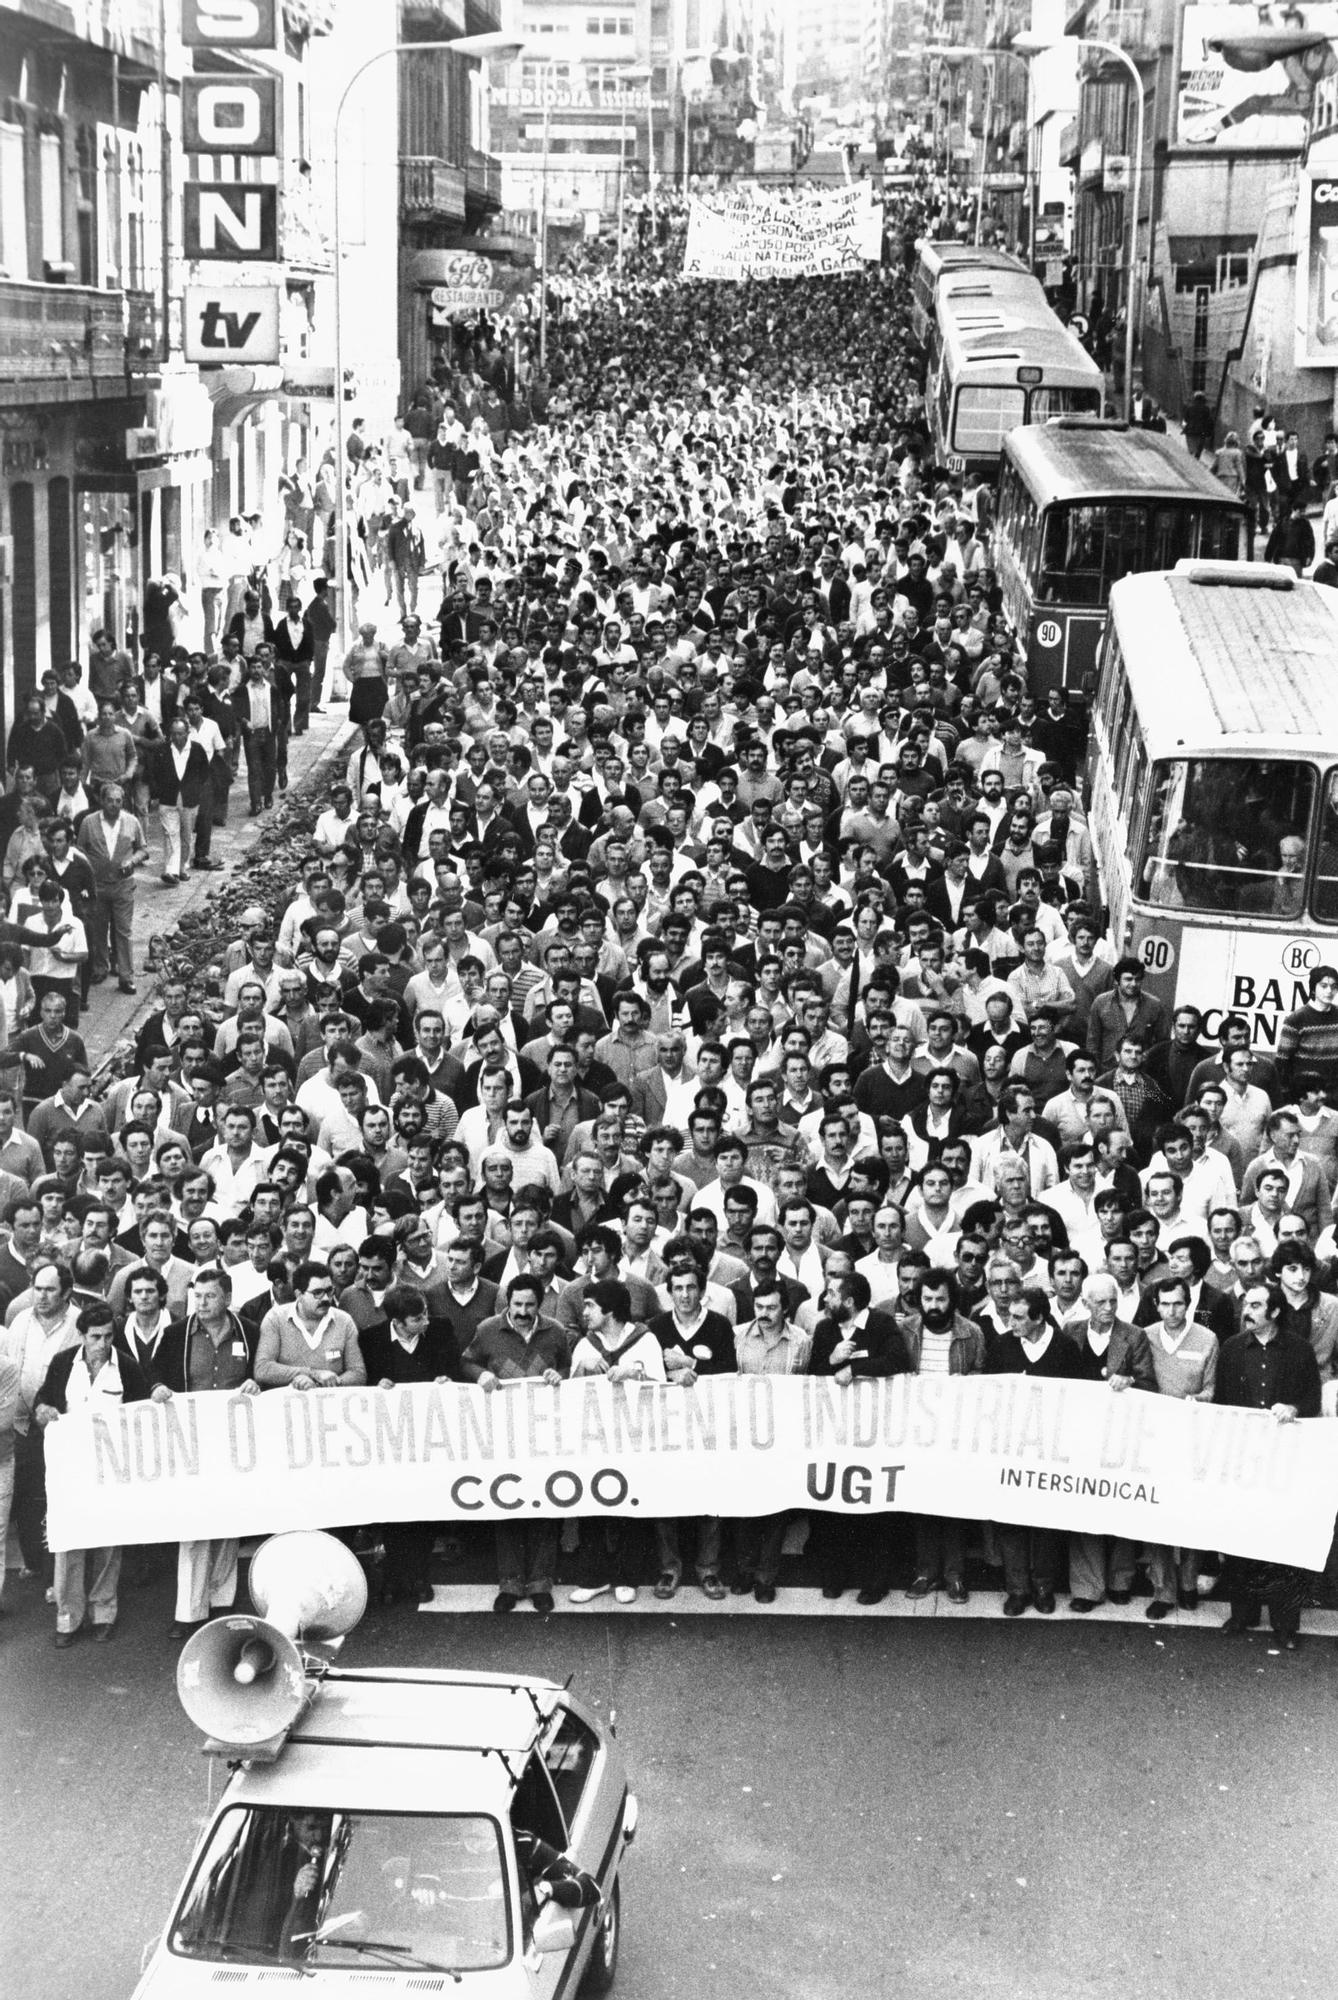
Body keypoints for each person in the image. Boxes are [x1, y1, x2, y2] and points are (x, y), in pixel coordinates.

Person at [34, 1300, 162, 1646]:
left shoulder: (128, 1368)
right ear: (83, 1336)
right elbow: (43, 1401)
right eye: (95, 1337)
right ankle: (68, 1617)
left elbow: (143, 1413)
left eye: (108, 1337)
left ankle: (103, 1612)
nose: (102, 1344)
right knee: (70, 1541)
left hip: (111, 1471)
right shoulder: (63, 1364)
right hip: (70, 1469)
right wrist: (44, 1410)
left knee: (108, 1542)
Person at [152, 1266, 261, 1637]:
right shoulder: (175, 1335)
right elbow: (155, 1378)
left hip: (235, 1438)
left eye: (210, 1295)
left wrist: (255, 1383)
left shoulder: (250, 1331)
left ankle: (221, 1600)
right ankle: (189, 1611)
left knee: (230, 1521)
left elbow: (260, 1374)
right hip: (191, 1440)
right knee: (195, 1523)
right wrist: (159, 1390)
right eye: (197, 1295)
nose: (201, 1302)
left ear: (227, 1298)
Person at [1216, 1280, 1322, 1649]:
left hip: (1284, 1459)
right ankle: (1242, 1614)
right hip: (1243, 1457)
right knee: (1240, 1537)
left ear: (1275, 1312)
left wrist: (1294, 1409)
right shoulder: (1231, 1349)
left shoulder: (1300, 1351)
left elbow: (1312, 1401)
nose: (1248, 1310)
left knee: (1282, 1541)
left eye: (1257, 1305)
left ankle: (1284, 1624)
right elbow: (1220, 1402)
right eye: (1247, 1304)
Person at [76, 779, 148, 993]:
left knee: (123, 930)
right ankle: (100, 967)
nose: (114, 805)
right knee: (99, 929)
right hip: (97, 885)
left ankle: (125, 976)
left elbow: (143, 849)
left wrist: (132, 861)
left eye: (118, 801)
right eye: (110, 801)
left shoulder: (131, 821)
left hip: (123, 885)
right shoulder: (88, 823)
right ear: (101, 801)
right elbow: (79, 851)